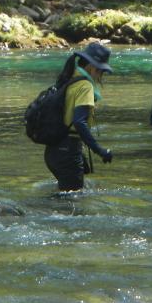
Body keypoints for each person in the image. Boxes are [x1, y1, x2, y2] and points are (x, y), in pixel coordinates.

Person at [44, 42, 114, 192]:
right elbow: (79, 122)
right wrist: (100, 150)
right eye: (101, 71)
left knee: (65, 200)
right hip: (67, 152)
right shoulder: (85, 86)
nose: (101, 76)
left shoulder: (69, 79)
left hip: (53, 151)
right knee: (73, 205)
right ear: (91, 67)